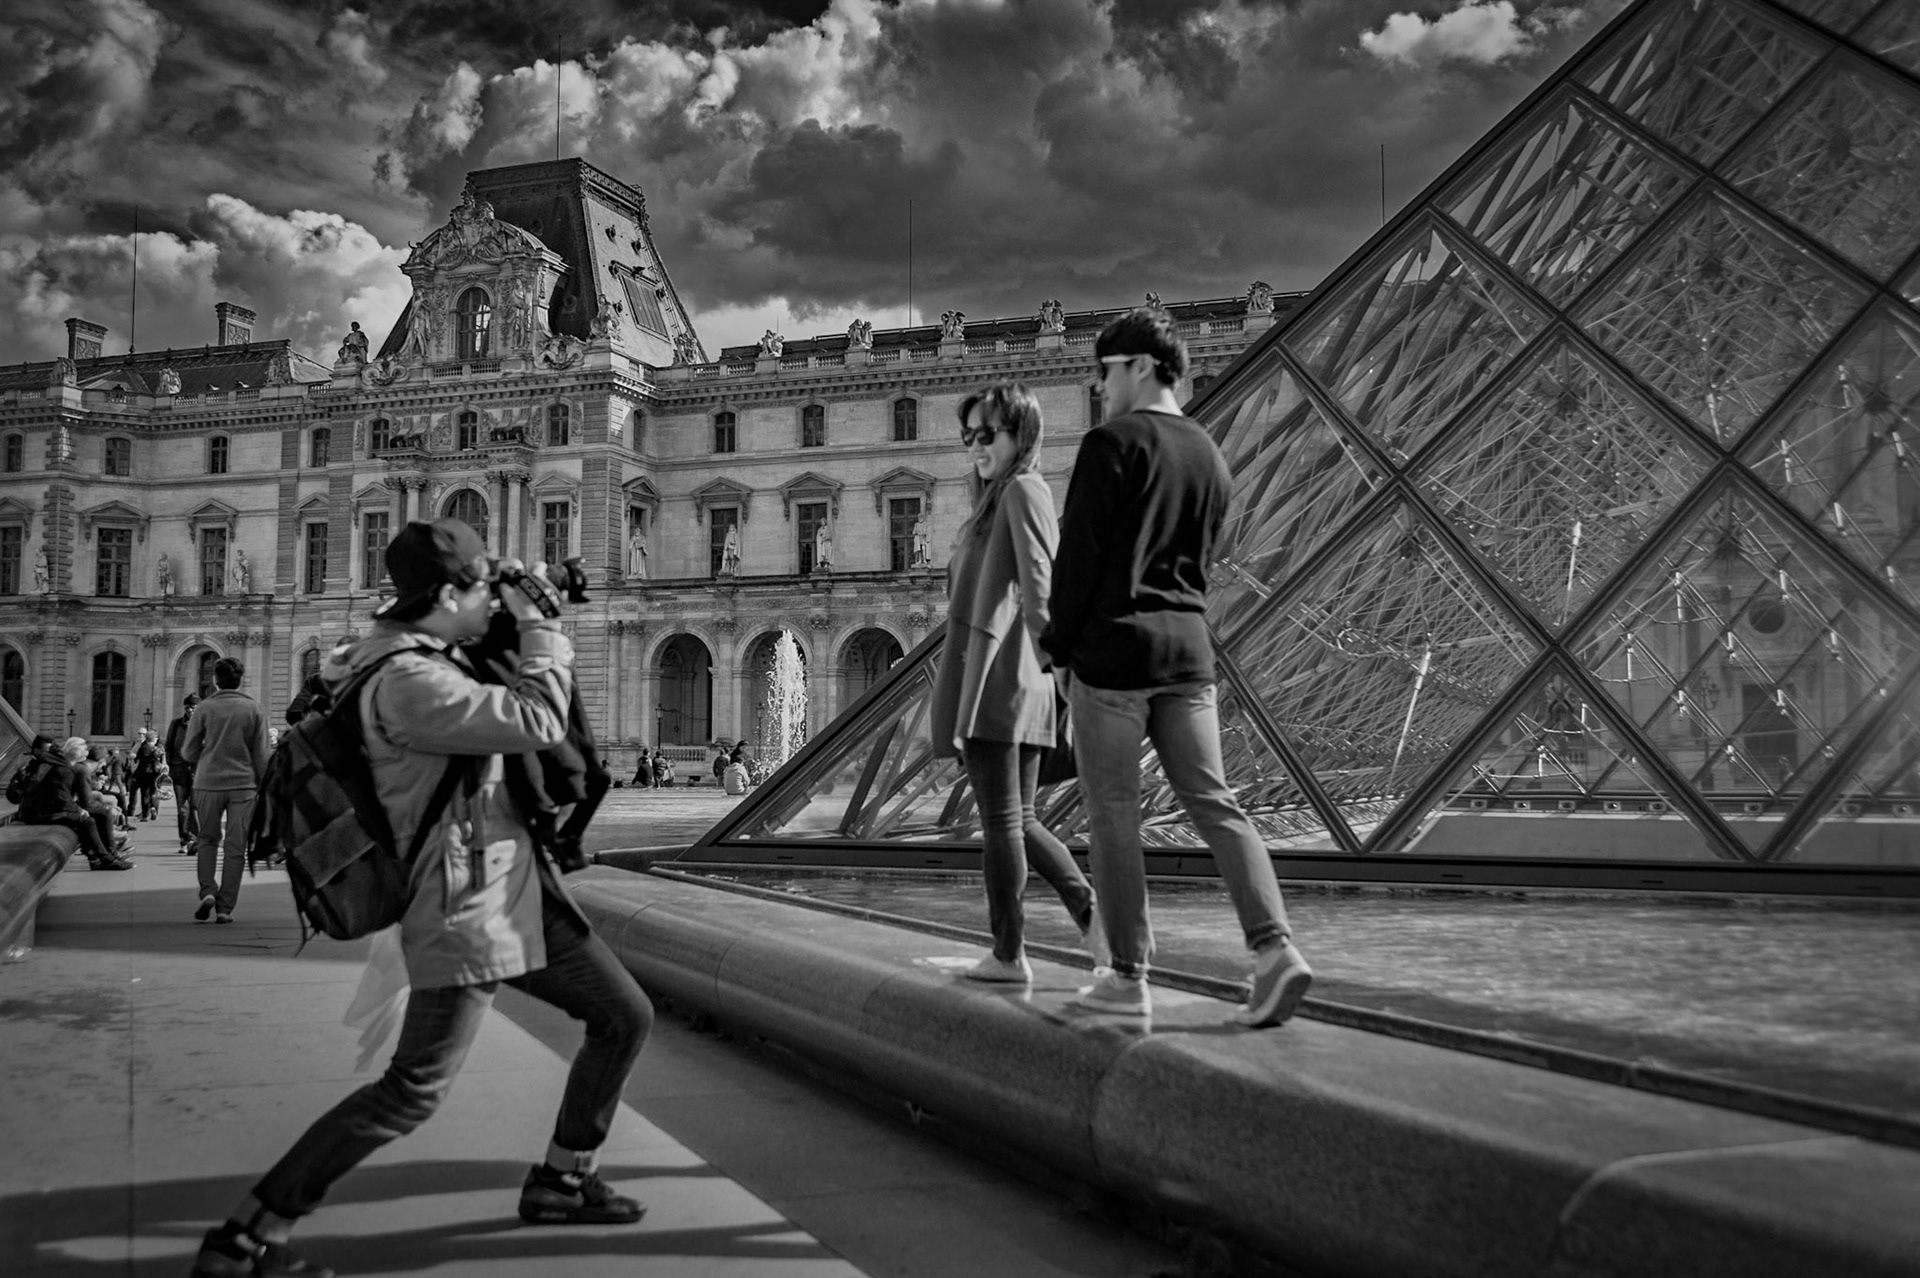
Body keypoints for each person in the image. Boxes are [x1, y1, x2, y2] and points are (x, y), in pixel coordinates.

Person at [187, 518, 652, 1278]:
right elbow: (535, 719)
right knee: (412, 1090)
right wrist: (540, 629)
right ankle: (246, 1235)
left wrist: (517, 603)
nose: (489, 599)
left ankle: (565, 1177)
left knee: (622, 1013)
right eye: (478, 586)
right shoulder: (408, 681)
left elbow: (483, 662)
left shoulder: (416, 654)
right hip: (464, 902)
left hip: (512, 889)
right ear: (443, 595)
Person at [1041, 308, 1313, 1028]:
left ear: (1135, 366)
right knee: (1218, 804)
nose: (1098, 388)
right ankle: (1275, 948)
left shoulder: (1110, 446)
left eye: (1101, 373)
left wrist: (1057, 654)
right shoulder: (1210, 455)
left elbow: (1078, 563)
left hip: (1113, 655)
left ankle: (1128, 976)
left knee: (1115, 818)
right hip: (1189, 653)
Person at [929, 381, 1105, 984]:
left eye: (989, 434)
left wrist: (1068, 681)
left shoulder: (1024, 490)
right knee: (1020, 820)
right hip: (1000, 678)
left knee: (1003, 823)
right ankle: (1092, 917)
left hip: (1002, 683)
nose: (976, 446)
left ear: (1021, 436)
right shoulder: (994, 499)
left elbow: (1041, 588)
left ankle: (1009, 954)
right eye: (969, 435)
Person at [182, 657, 270, 925]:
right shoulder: (253, 709)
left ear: (216, 680)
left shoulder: (205, 708)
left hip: (208, 782)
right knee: (236, 848)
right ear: (240, 680)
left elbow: (188, 751)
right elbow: (262, 756)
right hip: (243, 785)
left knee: (208, 839)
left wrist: (206, 755)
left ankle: (208, 890)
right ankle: (225, 907)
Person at [19, 737, 133, 870]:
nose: (86, 752)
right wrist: (78, 809)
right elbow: (63, 799)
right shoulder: (65, 769)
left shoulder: (58, 765)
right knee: (87, 821)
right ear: (77, 753)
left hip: (38, 810)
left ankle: (102, 857)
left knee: (88, 819)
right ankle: (105, 858)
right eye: (84, 749)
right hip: (43, 813)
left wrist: (78, 808)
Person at [165, 694, 201, 854]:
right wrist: (170, 765)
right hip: (179, 770)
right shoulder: (176, 724)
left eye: (193, 707)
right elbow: (169, 745)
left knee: (195, 806)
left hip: (198, 771)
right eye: (188, 707)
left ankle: (195, 838)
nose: (190, 710)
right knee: (182, 808)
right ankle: (185, 839)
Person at [131, 728, 162, 821]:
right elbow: (162, 761)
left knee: (144, 793)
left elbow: (137, 759)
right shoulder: (158, 749)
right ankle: (153, 807)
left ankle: (145, 814)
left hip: (144, 772)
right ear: (154, 739)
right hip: (155, 773)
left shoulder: (143, 748)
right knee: (154, 792)